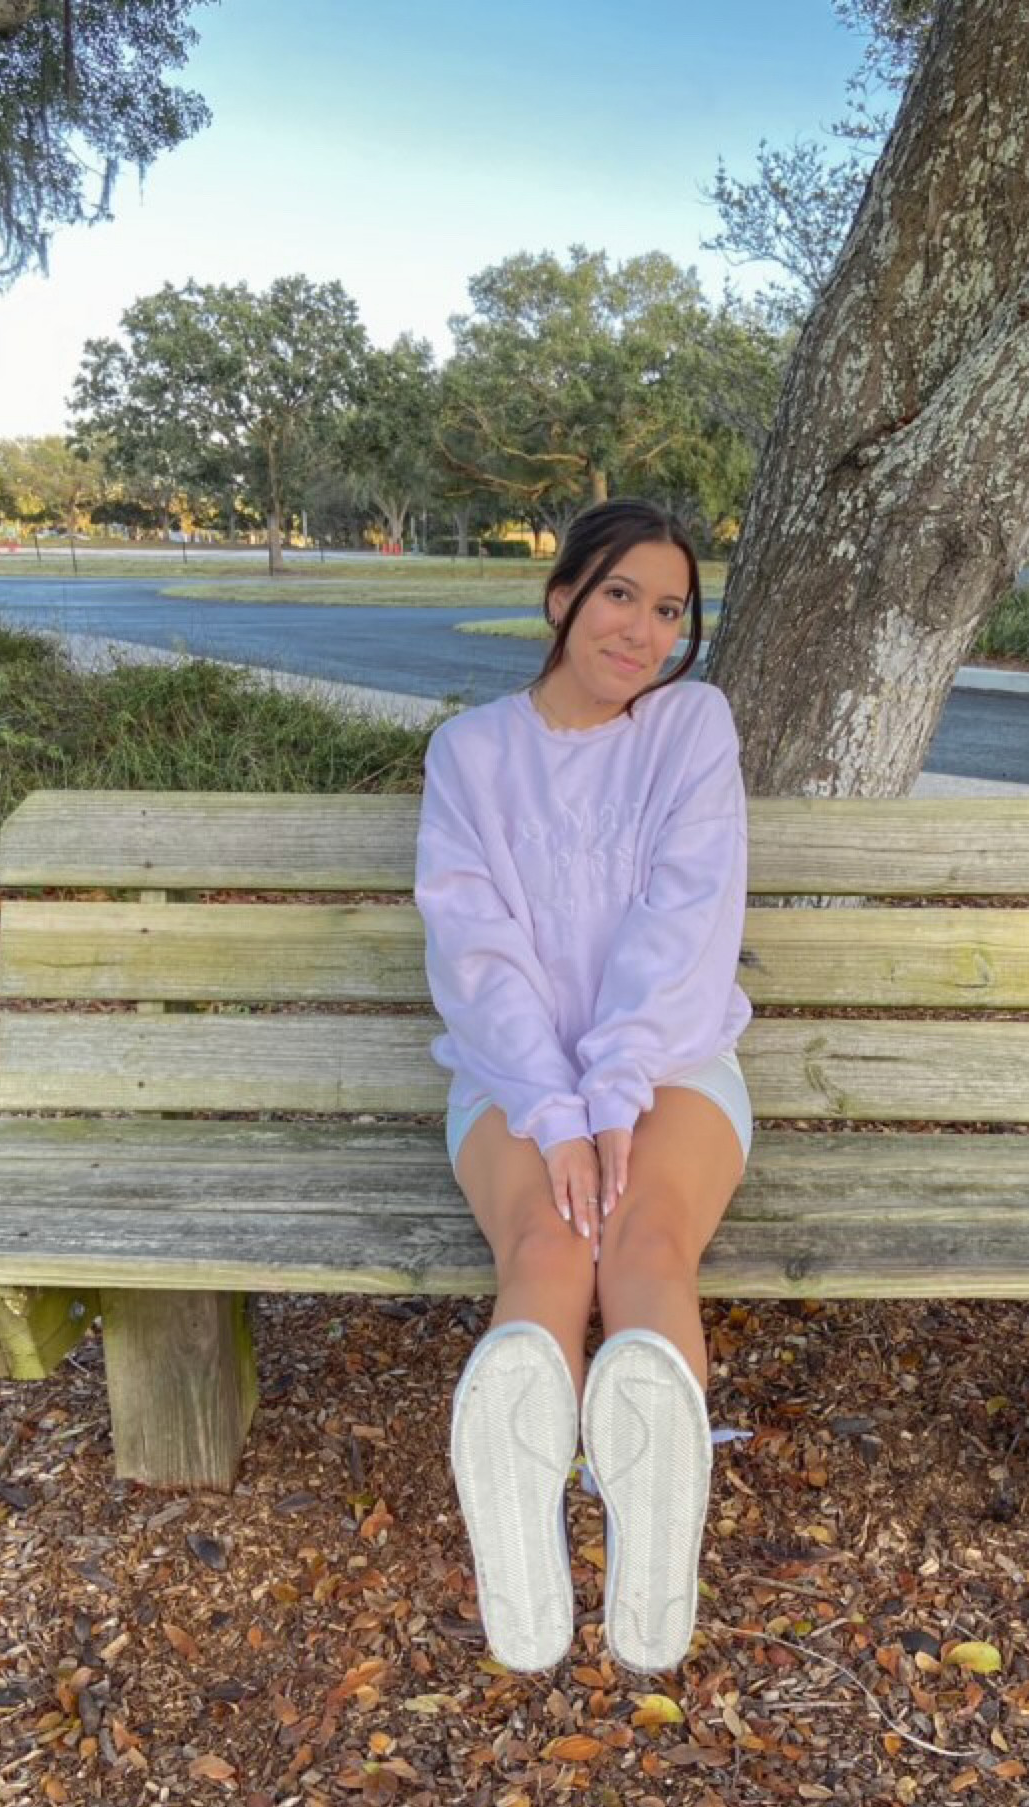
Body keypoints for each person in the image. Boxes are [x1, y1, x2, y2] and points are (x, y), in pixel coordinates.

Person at [414, 499, 752, 1676]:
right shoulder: (471, 754)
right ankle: (522, 1525)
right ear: (561, 597)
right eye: (621, 595)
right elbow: (475, 952)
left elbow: (684, 920)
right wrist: (556, 1111)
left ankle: (656, 1553)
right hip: (511, 1077)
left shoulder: (691, 729)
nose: (643, 631)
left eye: (669, 611)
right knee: (550, 1249)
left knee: (645, 1243)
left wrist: (612, 1092)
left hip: (672, 1064)